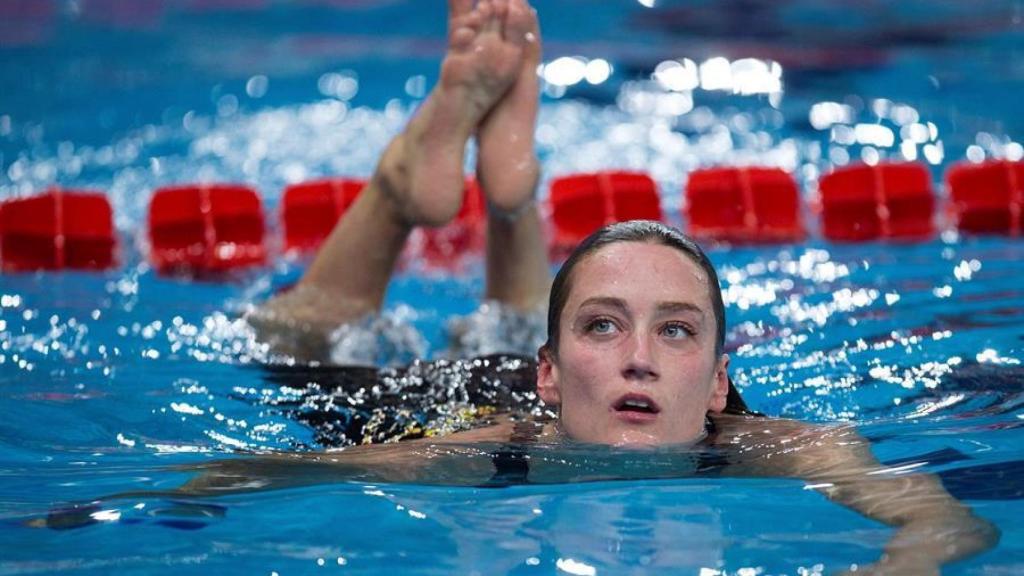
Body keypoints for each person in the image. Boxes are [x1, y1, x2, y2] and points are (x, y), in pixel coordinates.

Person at [41, 1, 999, 573]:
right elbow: (271, 471)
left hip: (530, 377)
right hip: (444, 404)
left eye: (675, 332)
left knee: (506, 318)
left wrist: (903, 560)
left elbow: (938, 516)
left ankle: (504, 188)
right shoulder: (462, 452)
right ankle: (407, 183)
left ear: (718, 380)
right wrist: (113, 512)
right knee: (297, 343)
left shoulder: (784, 445)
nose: (637, 356)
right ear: (549, 376)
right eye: (607, 329)